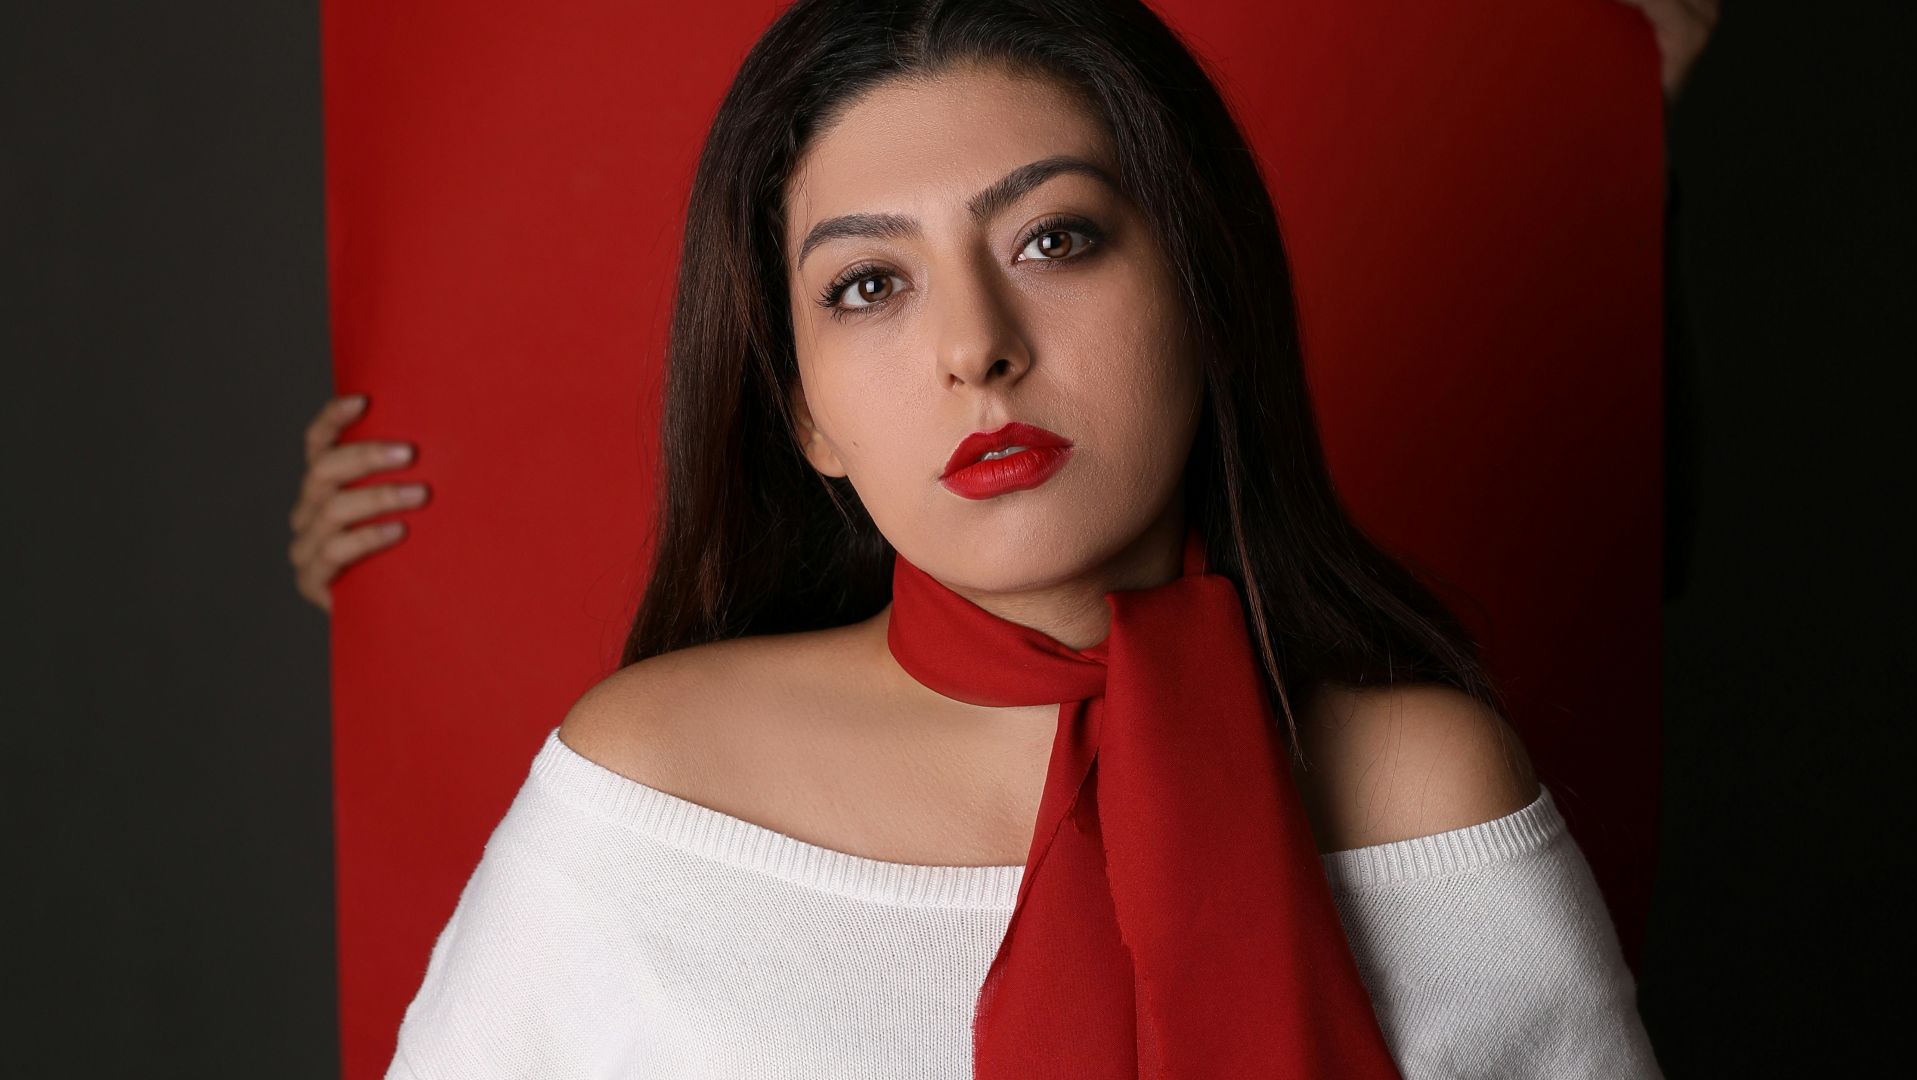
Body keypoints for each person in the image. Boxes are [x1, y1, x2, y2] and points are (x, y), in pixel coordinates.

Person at [294, 1, 1690, 1076]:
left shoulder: (1424, 789)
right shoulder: (652, 788)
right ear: (805, 416)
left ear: (1203, 292)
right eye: (868, 284)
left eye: (1055, 241)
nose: (975, 346)